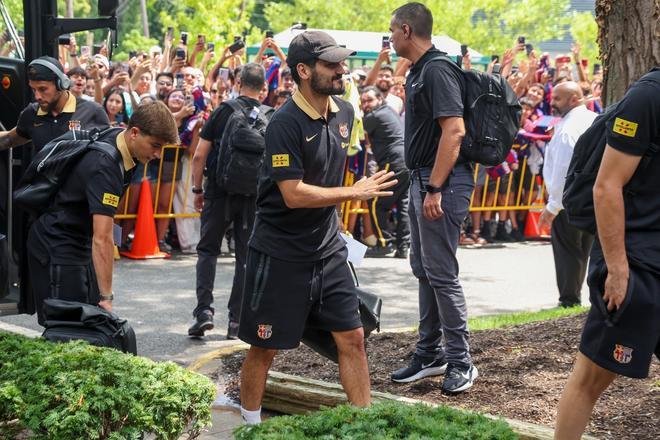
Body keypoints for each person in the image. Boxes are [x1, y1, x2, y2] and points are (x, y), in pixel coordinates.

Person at [238, 31, 396, 425]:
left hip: (327, 252)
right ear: (305, 71)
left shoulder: (344, 111)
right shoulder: (283, 124)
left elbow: (327, 171)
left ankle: (365, 426)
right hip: (279, 254)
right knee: (264, 348)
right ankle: (250, 426)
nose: (343, 69)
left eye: (342, 62)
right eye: (332, 64)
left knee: (354, 339)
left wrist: (338, 224)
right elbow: (292, 193)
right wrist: (352, 193)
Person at [554, 68, 660, 439]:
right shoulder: (648, 97)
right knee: (591, 379)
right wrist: (617, 270)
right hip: (635, 264)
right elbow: (606, 186)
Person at [388, 2, 478, 394]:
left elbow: (454, 131)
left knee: (441, 273)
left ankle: (461, 361)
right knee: (425, 270)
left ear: (407, 30)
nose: (389, 38)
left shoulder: (438, 69)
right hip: (423, 180)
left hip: (441, 183)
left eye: (391, 31)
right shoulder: (419, 71)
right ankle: (429, 354)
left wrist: (436, 188)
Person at [27, 101, 179, 324]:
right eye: (155, 145)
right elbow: (103, 238)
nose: (157, 154)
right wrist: (107, 297)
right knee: (66, 329)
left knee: (86, 323)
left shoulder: (125, 143)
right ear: (135, 132)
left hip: (77, 239)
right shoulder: (106, 165)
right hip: (57, 241)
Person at [188, 63, 271, 338]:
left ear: (237, 82)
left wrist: (197, 189)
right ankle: (236, 322)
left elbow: (200, 155)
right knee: (245, 257)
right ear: (265, 88)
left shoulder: (224, 110)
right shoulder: (270, 116)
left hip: (219, 192)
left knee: (208, 251)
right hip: (252, 198)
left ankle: (204, 311)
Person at [539, 82, 597, 307]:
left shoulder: (567, 129)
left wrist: (553, 206)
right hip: (590, 196)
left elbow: (563, 169)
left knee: (569, 251)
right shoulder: (593, 119)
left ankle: (569, 300)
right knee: (582, 249)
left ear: (574, 99)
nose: (552, 103)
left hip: (569, 200)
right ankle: (575, 298)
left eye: (557, 99)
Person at [0, 56, 109, 153]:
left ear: (61, 84)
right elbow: (9, 139)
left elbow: (109, 152)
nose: (37, 96)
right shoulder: (31, 113)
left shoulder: (93, 112)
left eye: (43, 89)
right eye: (34, 89)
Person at [360, 86, 410, 258]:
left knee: (375, 202)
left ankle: (383, 243)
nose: (366, 104)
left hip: (393, 161)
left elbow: (358, 133)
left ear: (379, 100)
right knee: (404, 204)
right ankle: (403, 247)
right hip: (406, 161)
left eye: (369, 100)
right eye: (363, 101)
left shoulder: (374, 116)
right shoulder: (388, 111)